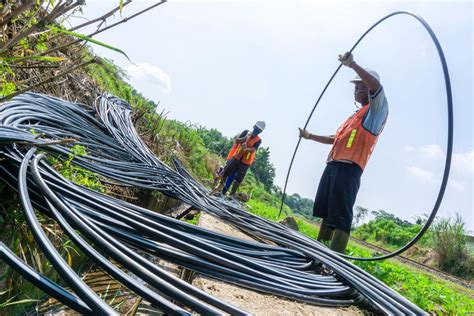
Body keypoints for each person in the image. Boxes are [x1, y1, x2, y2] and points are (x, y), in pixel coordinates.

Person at [299, 52, 388, 254]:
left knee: (340, 215)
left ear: (368, 89)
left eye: (359, 86)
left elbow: (377, 87)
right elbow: (335, 138)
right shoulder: (355, 115)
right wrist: (310, 136)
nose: (355, 90)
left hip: (349, 168)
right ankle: (319, 253)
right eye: (355, 86)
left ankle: (335, 259)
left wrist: (353, 64)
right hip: (334, 164)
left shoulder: (376, 111)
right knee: (327, 210)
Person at [210, 121, 265, 196]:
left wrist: (246, 149)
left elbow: (254, 150)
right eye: (256, 129)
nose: (257, 131)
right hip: (236, 157)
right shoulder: (246, 133)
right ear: (254, 126)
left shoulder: (258, 140)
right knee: (225, 172)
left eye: (259, 130)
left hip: (245, 162)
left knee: (236, 178)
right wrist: (246, 138)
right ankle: (219, 188)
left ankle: (228, 194)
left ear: (261, 131)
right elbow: (237, 141)